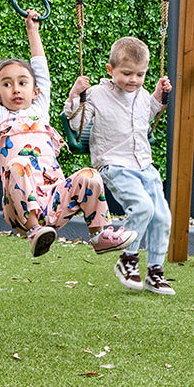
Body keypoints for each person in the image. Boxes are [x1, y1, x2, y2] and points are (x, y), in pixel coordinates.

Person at [0, 11, 136, 261]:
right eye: (7, 85)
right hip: (19, 209)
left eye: (23, 83)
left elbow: (41, 68)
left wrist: (33, 30)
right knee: (18, 165)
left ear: (36, 91)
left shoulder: (39, 110)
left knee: (90, 176)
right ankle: (34, 232)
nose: (16, 89)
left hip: (55, 198)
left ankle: (100, 234)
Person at [63, 37, 174, 294]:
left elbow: (146, 116)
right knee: (143, 207)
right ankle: (128, 259)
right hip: (115, 164)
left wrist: (158, 96)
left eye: (140, 74)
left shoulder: (142, 94)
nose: (133, 80)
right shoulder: (96, 95)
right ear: (110, 70)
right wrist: (75, 94)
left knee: (162, 217)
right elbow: (76, 123)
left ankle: (155, 272)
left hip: (145, 165)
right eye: (126, 73)